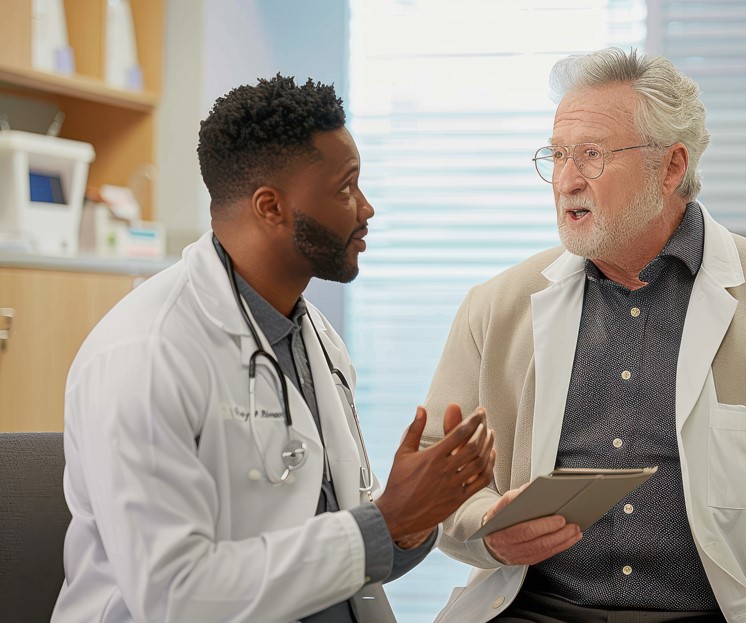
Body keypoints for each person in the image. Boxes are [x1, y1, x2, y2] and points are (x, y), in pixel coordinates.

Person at [421, 48, 746, 623]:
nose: (566, 180)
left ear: (672, 166)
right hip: (533, 609)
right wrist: (488, 534)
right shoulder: (495, 310)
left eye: (592, 156)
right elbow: (434, 475)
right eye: (557, 156)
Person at [51, 75, 495, 623]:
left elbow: (355, 552)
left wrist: (417, 515)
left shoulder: (317, 341)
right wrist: (385, 522)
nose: (366, 209)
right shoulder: (143, 356)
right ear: (270, 207)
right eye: (345, 189)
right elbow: (175, 596)